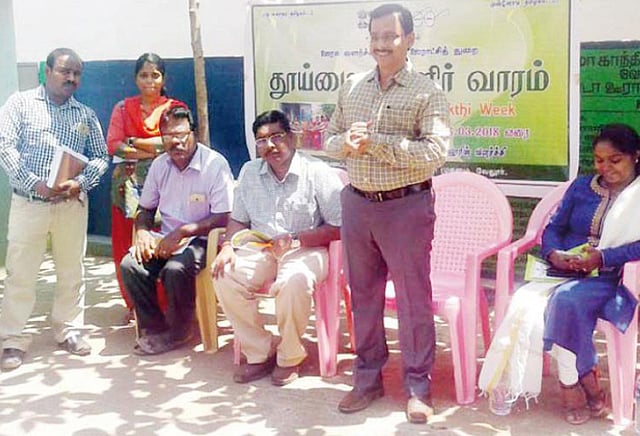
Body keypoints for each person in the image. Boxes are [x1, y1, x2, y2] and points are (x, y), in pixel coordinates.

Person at [324, 3, 451, 424]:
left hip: (405, 207)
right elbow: (328, 140)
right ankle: (367, 379)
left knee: (413, 300)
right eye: (375, 36)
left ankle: (418, 387)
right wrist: (345, 143)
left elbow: (434, 153)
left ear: (409, 40)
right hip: (357, 204)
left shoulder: (427, 92)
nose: (381, 44)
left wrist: (375, 143)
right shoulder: (352, 87)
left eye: (390, 36)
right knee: (363, 296)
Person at [478, 123, 640, 425]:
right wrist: (555, 254)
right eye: (599, 160)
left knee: (564, 301)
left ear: (635, 156)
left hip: (609, 277)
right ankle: (587, 380)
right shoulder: (582, 187)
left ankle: (570, 384)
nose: (605, 167)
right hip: (562, 270)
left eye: (615, 160)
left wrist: (603, 257)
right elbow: (554, 227)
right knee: (533, 304)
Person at [212, 109, 342, 386]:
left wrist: (295, 239)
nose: (270, 145)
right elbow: (238, 219)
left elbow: (340, 226)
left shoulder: (317, 171)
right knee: (224, 275)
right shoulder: (249, 172)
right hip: (262, 248)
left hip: (306, 247)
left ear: (292, 138)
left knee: (294, 281)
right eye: (261, 140)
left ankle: (290, 355)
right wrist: (227, 247)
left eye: (276, 136)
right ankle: (260, 351)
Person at [0, 47, 109, 370]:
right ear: (46, 72)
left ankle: (69, 330)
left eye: (76, 73)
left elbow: (101, 156)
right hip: (29, 202)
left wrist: (82, 183)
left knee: (72, 269)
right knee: (20, 273)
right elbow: (4, 146)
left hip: (70, 204)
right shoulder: (20, 104)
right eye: (64, 71)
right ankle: (13, 339)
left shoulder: (85, 115)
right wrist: (35, 183)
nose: (71, 78)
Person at [120, 102, 234, 355]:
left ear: (194, 133)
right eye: (168, 136)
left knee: (176, 269)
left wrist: (183, 232)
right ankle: (156, 329)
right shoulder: (160, 165)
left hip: (203, 238)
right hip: (166, 237)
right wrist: (142, 232)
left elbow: (224, 217)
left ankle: (180, 331)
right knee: (131, 265)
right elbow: (145, 209)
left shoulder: (214, 164)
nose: (175, 142)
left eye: (181, 134)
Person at [106, 53, 176, 321]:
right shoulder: (123, 108)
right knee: (127, 241)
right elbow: (114, 145)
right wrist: (153, 150)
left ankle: (167, 303)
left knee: (162, 240)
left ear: (163, 78)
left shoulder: (174, 108)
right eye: (144, 75)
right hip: (128, 187)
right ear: (136, 78)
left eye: (155, 75)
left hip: (167, 184)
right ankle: (135, 305)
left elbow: (173, 141)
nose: (149, 81)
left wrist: (134, 141)